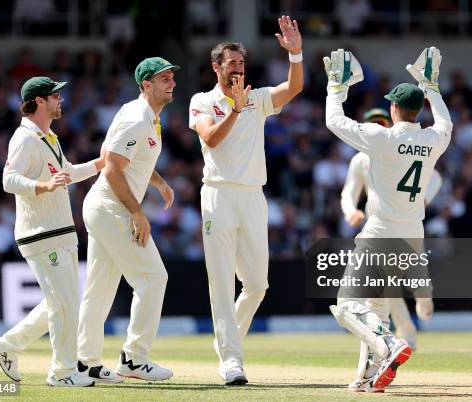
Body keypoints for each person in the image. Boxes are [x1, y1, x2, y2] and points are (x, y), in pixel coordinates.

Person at [325, 47, 452, 392]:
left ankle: (391, 344)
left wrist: (336, 89)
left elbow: (334, 122)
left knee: (348, 304)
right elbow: (446, 122)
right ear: (418, 109)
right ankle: (370, 375)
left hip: (381, 231)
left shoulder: (382, 138)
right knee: (377, 308)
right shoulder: (433, 139)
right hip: (412, 234)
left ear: (394, 109)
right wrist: (432, 88)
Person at [188, 15, 303, 385]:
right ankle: (231, 360)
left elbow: (293, 87)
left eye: (241, 62)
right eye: (231, 63)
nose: (238, 68)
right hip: (218, 194)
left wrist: (296, 54)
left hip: (253, 195)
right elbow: (210, 140)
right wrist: (234, 109)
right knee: (221, 283)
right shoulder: (202, 101)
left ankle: (227, 341)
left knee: (256, 284)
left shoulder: (257, 98)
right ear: (216, 67)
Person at [0, 76, 105, 387]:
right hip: (41, 233)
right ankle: (62, 372)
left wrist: (100, 163)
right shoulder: (25, 138)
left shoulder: (48, 137)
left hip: (59, 231)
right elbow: (8, 180)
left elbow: (66, 174)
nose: (60, 100)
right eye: (55, 95)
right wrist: (41, 186)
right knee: (64, 304)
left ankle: (7, 345)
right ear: (39, 101)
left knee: (62, 302)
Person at [76, 57, 177, 384]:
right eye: (164, 79)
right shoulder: (137, 118)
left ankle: (85, 363)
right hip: (111, 206)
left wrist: (158, 181)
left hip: (103, 205)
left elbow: (124, 159)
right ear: (146, 85)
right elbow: (112, 168)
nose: (172, 83)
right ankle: (134, 358)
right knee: (154, 278)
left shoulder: (145, 116)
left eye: (172, 77)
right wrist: (136, 212)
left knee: (100, 289)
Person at [340, 107, 440, 392]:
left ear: (391, 121)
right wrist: (350, 211)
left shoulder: (401, 147)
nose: (377, 127)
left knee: (369, 301)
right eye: (372, 124)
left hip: (392, 228)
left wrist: (422, 200)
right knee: (379, 302)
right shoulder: (361, 159)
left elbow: (435, 179)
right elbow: (349, 191)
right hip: (391, 227)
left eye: (381, 122)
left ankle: (398, 335)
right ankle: (367, 376)